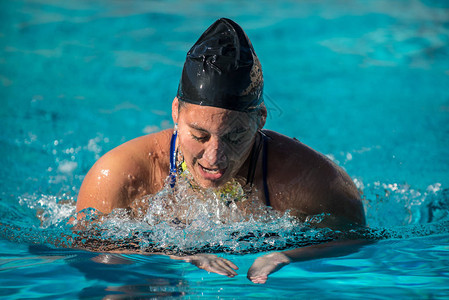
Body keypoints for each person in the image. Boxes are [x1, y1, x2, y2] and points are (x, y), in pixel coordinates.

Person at [76, 18, 366, 284]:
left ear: (260, 119)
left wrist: (286, 255)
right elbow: (89, 255)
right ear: (176, 112)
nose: (215, 157)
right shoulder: (118, 175)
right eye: (199, 135)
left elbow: (355, 239)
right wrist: (166, 257)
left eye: (235, 136)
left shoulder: (311, 181)